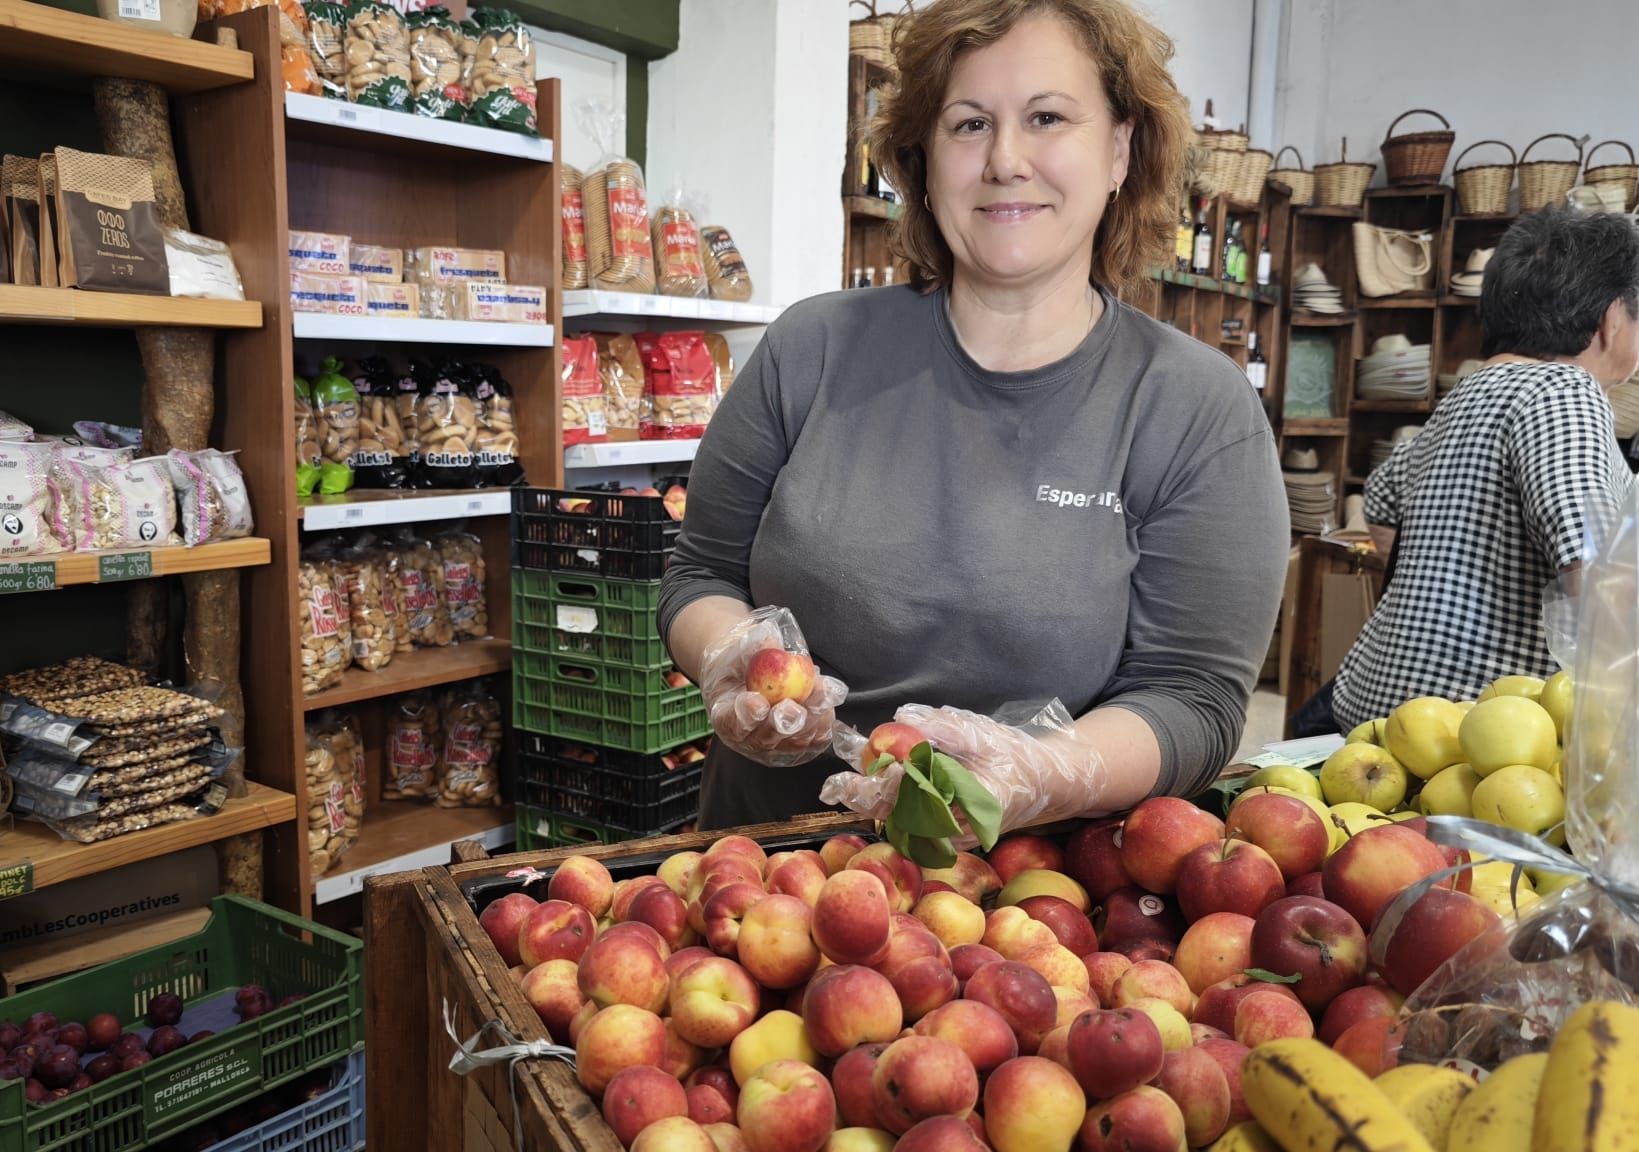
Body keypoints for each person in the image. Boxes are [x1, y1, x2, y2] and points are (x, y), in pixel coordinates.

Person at [657, 0, 1289, 831]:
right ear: (923, 160)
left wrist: (1045, 770)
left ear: (1119, 149)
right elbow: (699, 573)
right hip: (765, 886)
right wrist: (730, 658)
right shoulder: (810, 350)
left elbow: (1193, 696)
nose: (1004, 160)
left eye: (1047, 118)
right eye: (967, 124)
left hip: (1037, 917)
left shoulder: (1193, 410)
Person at [1329, 207, 1639, 731]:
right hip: (1478, 731)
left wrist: (1440, 596)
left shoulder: (1468, 390)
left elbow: (1379, 506)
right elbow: (1597, 570)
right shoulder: (1566, 392)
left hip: (1378, 705)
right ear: (1611, 320)